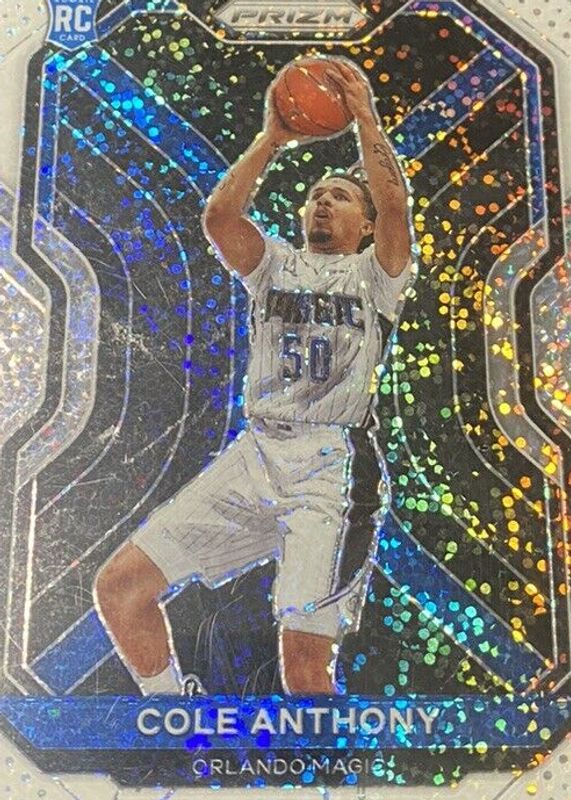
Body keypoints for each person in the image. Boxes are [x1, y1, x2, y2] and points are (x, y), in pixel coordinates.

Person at [94, 60, 413, 696]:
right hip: (258, 451)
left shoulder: (377, 277)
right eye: (317, 194)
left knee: (303, 666)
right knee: (120, 588)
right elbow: (220, 218)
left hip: (331, 467)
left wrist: (364, 117)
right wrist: (273, 137)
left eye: (341, 196)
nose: (324, 201)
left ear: (365, 224)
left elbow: (396, 205)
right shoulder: (275, 266)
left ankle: (326, 758)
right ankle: (172, 721)